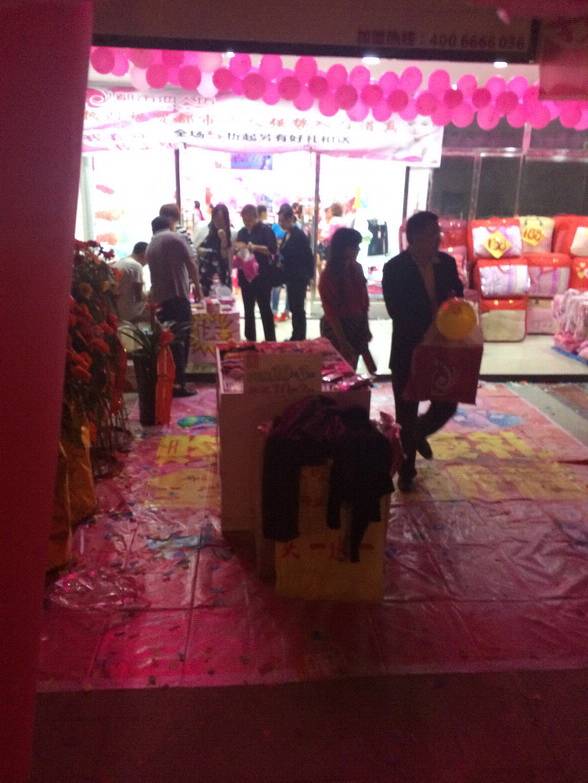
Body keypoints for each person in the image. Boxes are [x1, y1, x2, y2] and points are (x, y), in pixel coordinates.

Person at [382, 210, 464, 492]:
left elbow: (457, 295)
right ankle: (406, 471)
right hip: (409, 349)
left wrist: (452, 307)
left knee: (447, 403)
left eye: (438, 232)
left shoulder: (447, 264)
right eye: (431, 233)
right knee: (407, 409)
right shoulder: (395, 268)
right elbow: (396, 310)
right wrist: (430, 323)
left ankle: (415, 434)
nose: (438, 237)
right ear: (415, 236)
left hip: (442, 348)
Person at [147, 215, 201, 397]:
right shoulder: (174, 238)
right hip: (177, 297)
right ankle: (180, 384)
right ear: (170, 225)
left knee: (168, 341)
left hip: (161, 300)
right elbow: (191, 263)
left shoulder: (151, 245)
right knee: (180, 340)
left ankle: (171, 381)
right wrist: (198, 289)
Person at [318, 227, 372, 369]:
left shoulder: (356, 268)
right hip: (337, 329)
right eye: (354, 246)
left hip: (356, 325)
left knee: (351, 368)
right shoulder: (329, 275)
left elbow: (364, 303)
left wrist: (365, 327)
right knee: (338, 370)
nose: (358, 249)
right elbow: (331, 312)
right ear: (343, 249)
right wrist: (343, 341)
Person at [235, 204, 277, 342]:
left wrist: (254, 247)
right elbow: (238, 249)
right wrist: (238, 248)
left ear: (255, 216)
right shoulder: (242, 232)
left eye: (248, 219)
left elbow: (272, 250)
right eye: (244, 220)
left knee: (265, 308)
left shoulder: (265, 230)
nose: (246, 222)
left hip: (262, 276)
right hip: (245, 276)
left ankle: (270, 340)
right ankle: (250, 339)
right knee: (248, 309)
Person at [277, 204, 315, 341]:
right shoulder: (289, 234)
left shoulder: (298, 235)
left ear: (290, 219)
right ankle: (296, 334)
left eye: (282, 221)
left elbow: (306, 257)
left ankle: (300, 336)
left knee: (298, 307)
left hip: (298, 276)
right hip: (292, 276)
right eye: (279, 221)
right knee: (294, 306)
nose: (280, 224)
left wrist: (308, 276)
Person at [197, 203, 232, 296]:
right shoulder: (206, 230)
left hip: (222, 275)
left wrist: (223, 239)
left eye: (221, 219)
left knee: (223, 300)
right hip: (205, 274)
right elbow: (197, 249)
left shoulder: (231, 233)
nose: (218, 222)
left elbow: (226, 257)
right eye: (215, 219)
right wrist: (202, 251)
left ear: (226, 219)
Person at [112, 241, 148, 322]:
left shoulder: (121, 262)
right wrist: (150, 295)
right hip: (129, 314)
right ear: (144, 254)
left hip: (116, 311)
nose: (148, 263)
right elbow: (138, 296)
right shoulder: (136, 266)